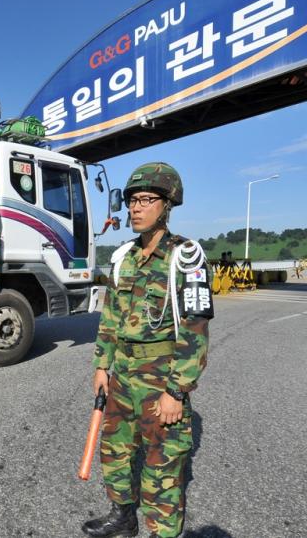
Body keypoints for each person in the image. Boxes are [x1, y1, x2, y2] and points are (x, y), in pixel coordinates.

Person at [82, 162, 213, 538]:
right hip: (122, 376)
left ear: (167, 204)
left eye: (145, 200)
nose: (135, 208)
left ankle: (163, 533)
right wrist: (102, 366)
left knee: (162, 468)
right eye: (131, 201)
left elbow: (195, 330)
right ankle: (122, 517)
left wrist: (177, 390)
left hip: (161, 380)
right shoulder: (123, 257)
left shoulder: (185, 257)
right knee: (116, 453)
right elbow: (110, 318)